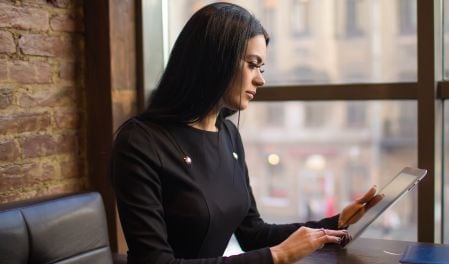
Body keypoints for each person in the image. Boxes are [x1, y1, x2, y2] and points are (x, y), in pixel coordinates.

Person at [111, 2, 381, 263]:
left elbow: (253, 232)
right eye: (252, 64)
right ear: (216, 59)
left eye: (261, 68)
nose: (260, 79)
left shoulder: (227, 133)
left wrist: (335, 223)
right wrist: (278, 256)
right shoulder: (139, 143)